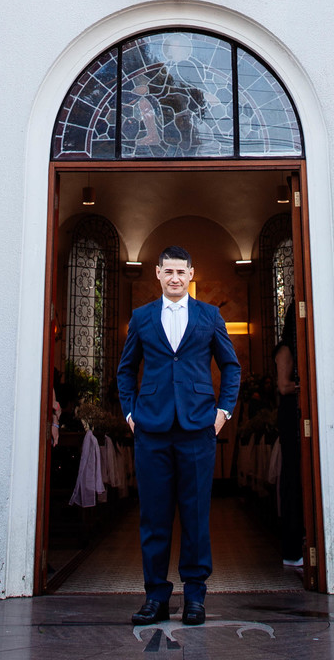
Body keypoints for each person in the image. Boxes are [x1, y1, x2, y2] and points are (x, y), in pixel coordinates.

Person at [117, 245, 240, 626]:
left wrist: (222, 415)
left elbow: (230, 367)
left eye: (180, 272)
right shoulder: (141, 318)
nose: (174, 278)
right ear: (157, 274)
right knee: (154, 517)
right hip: (151, 430)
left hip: (198, 429)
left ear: (191, 274)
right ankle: (155, 596)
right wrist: (130, 414)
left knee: (196, 515)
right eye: (167, 271)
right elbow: (126, 370)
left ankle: (195, 597)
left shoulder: (210, 315)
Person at [273, 310, 304, 568]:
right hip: (289, 414)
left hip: (297, 413)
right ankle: (292, 546)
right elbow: (283, 386)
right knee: (292, 474)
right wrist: (303, 386)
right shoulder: (285, 350)